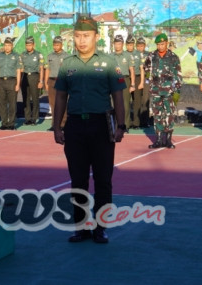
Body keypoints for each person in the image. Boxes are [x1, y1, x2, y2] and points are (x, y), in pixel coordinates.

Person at [52, 15, 126, 244]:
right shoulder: (67, 64)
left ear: (96, 36)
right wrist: (56, 126)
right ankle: (81, 227)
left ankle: (101, 227)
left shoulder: (108, 63)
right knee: (78, 179)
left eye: (86, 36)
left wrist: (121, 125)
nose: (81, 41)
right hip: (74, 126)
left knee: (103, 179)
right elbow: (61, 97)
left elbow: (118, 96)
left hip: (101, 126)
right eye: (77, 36)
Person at [144, 33, 182, 149]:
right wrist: (149, 81)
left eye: (162, 44)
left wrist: (176, 91)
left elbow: (178, 74)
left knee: (169, 114)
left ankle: (168, 140)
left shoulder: (173, 57)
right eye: (158, 44)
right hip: (155, 90)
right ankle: (159, 139)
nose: (160, 46)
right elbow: (146, 69)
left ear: (166, 43)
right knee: (157, 115)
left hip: (169, 90)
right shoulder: (151, 56)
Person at [0, 37, 22, 130]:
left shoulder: (16, 56)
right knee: (1, 103)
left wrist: (18, 84)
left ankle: (11, 124)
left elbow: (18, 71)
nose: (7, 47)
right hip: (1, 81)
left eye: (9, 45)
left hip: (12, 81)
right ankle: (4, 123)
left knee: (12, 104)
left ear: (12, 46)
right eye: (5, 45)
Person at [110, 35, 135, 133]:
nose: (117, 46)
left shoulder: (128, 56)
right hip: (114, 80)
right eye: (116, 43)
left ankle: (125, 125)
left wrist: (132, 84)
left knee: (125, 104)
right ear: (114, 44)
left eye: (119, 44)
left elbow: (131, 70)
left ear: (122, 44)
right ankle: (115, 125)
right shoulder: (110, 56)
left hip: (124, 79)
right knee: (113, 103)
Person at [45, 35, 68, 131]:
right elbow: (47, 69)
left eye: (57, 45)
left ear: (61, 45)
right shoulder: (50, 56)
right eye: (54, 45)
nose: (56, 47)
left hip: (62, 81)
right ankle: (55, 124)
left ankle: (63, 123)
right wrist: (46, 82)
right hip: (52, 81)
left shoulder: (66, 56)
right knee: (53, 104)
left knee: (63, 103)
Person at [20, 36, 45, 125]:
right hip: (25, 76)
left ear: (33, 45)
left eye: (30, 45)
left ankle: (34, 119)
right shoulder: (23, 55)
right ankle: (27, 119)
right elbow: (20, 68)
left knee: (35, 99)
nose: (28, 47)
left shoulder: (38, 54)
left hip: (35, 77)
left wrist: (41, 81)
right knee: (25, 99)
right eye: (27, 45)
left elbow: (41, 68)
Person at [125, 36, 143, 128]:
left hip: (137, 78)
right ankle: (126, 122)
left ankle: (136, 122)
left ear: (133, 45)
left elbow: (141, 69)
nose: (129, 47)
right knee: (126, 101)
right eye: (128, 45)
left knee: (137, 102)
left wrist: (142, 82)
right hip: (127, 78)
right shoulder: (124, 54)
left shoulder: (138, 54)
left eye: (131, 45)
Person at [135, 37, 149, 127]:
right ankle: (136, 122)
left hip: (146, 78)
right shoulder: (133, 55)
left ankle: (145, 122)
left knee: (146, 99)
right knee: (137, 100)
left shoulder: (149, 55)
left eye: (142, 46)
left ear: (145, 46)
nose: (140, 48)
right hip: (137, 77)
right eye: (139, 46)